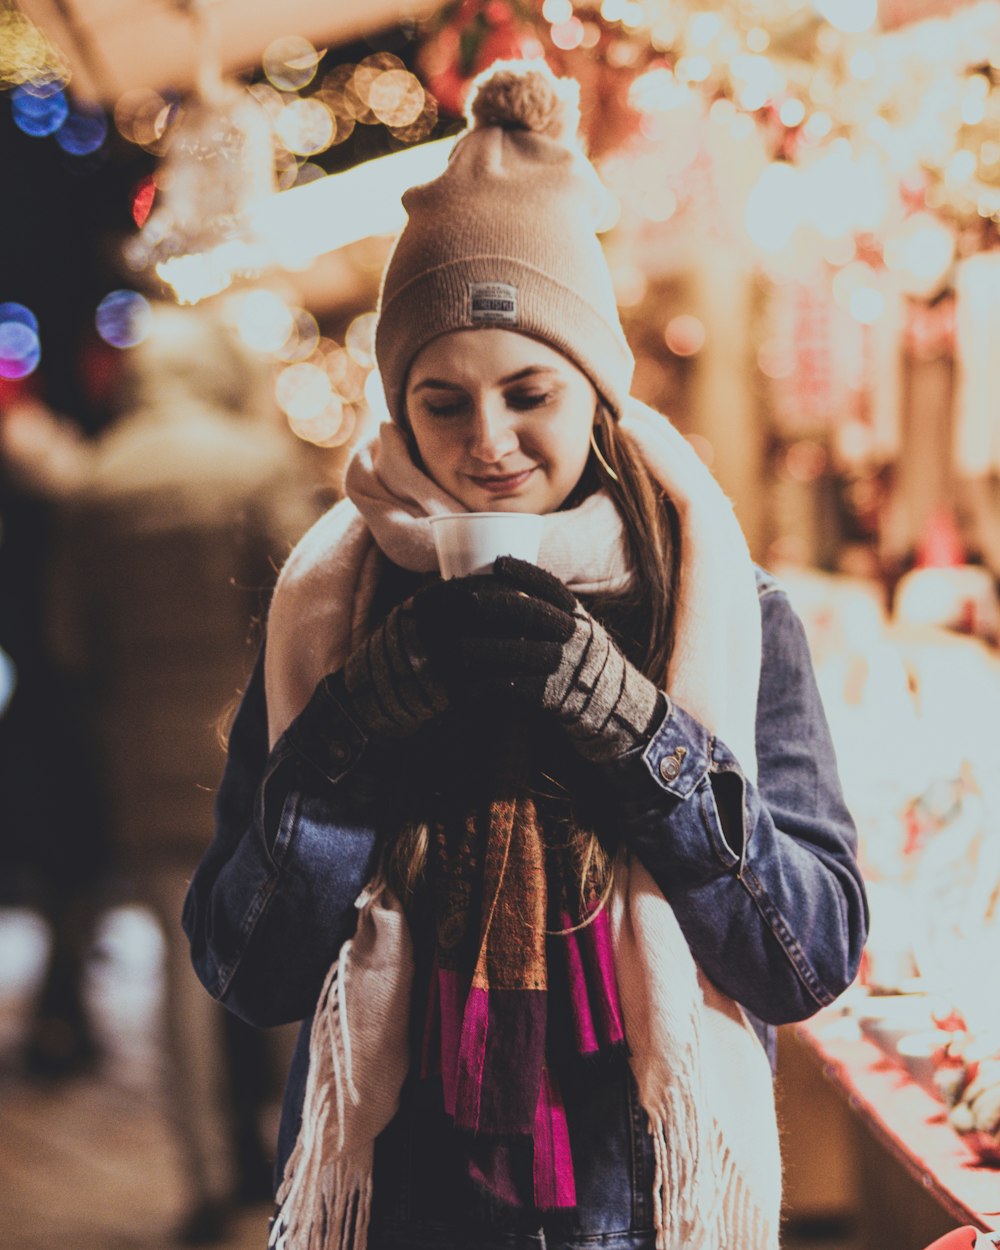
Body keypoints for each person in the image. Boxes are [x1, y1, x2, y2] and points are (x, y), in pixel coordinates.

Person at [184, 60, 868, 1250]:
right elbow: (250, 970)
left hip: (641, 1207)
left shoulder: (718, 603)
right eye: (441, 402)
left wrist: (636, 731)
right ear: (396, 411)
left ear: (596, 390)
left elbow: (805, 952)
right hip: (401, 1208)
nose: (486, 443)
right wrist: (351, 737)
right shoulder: (332, 611)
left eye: (529, 392)